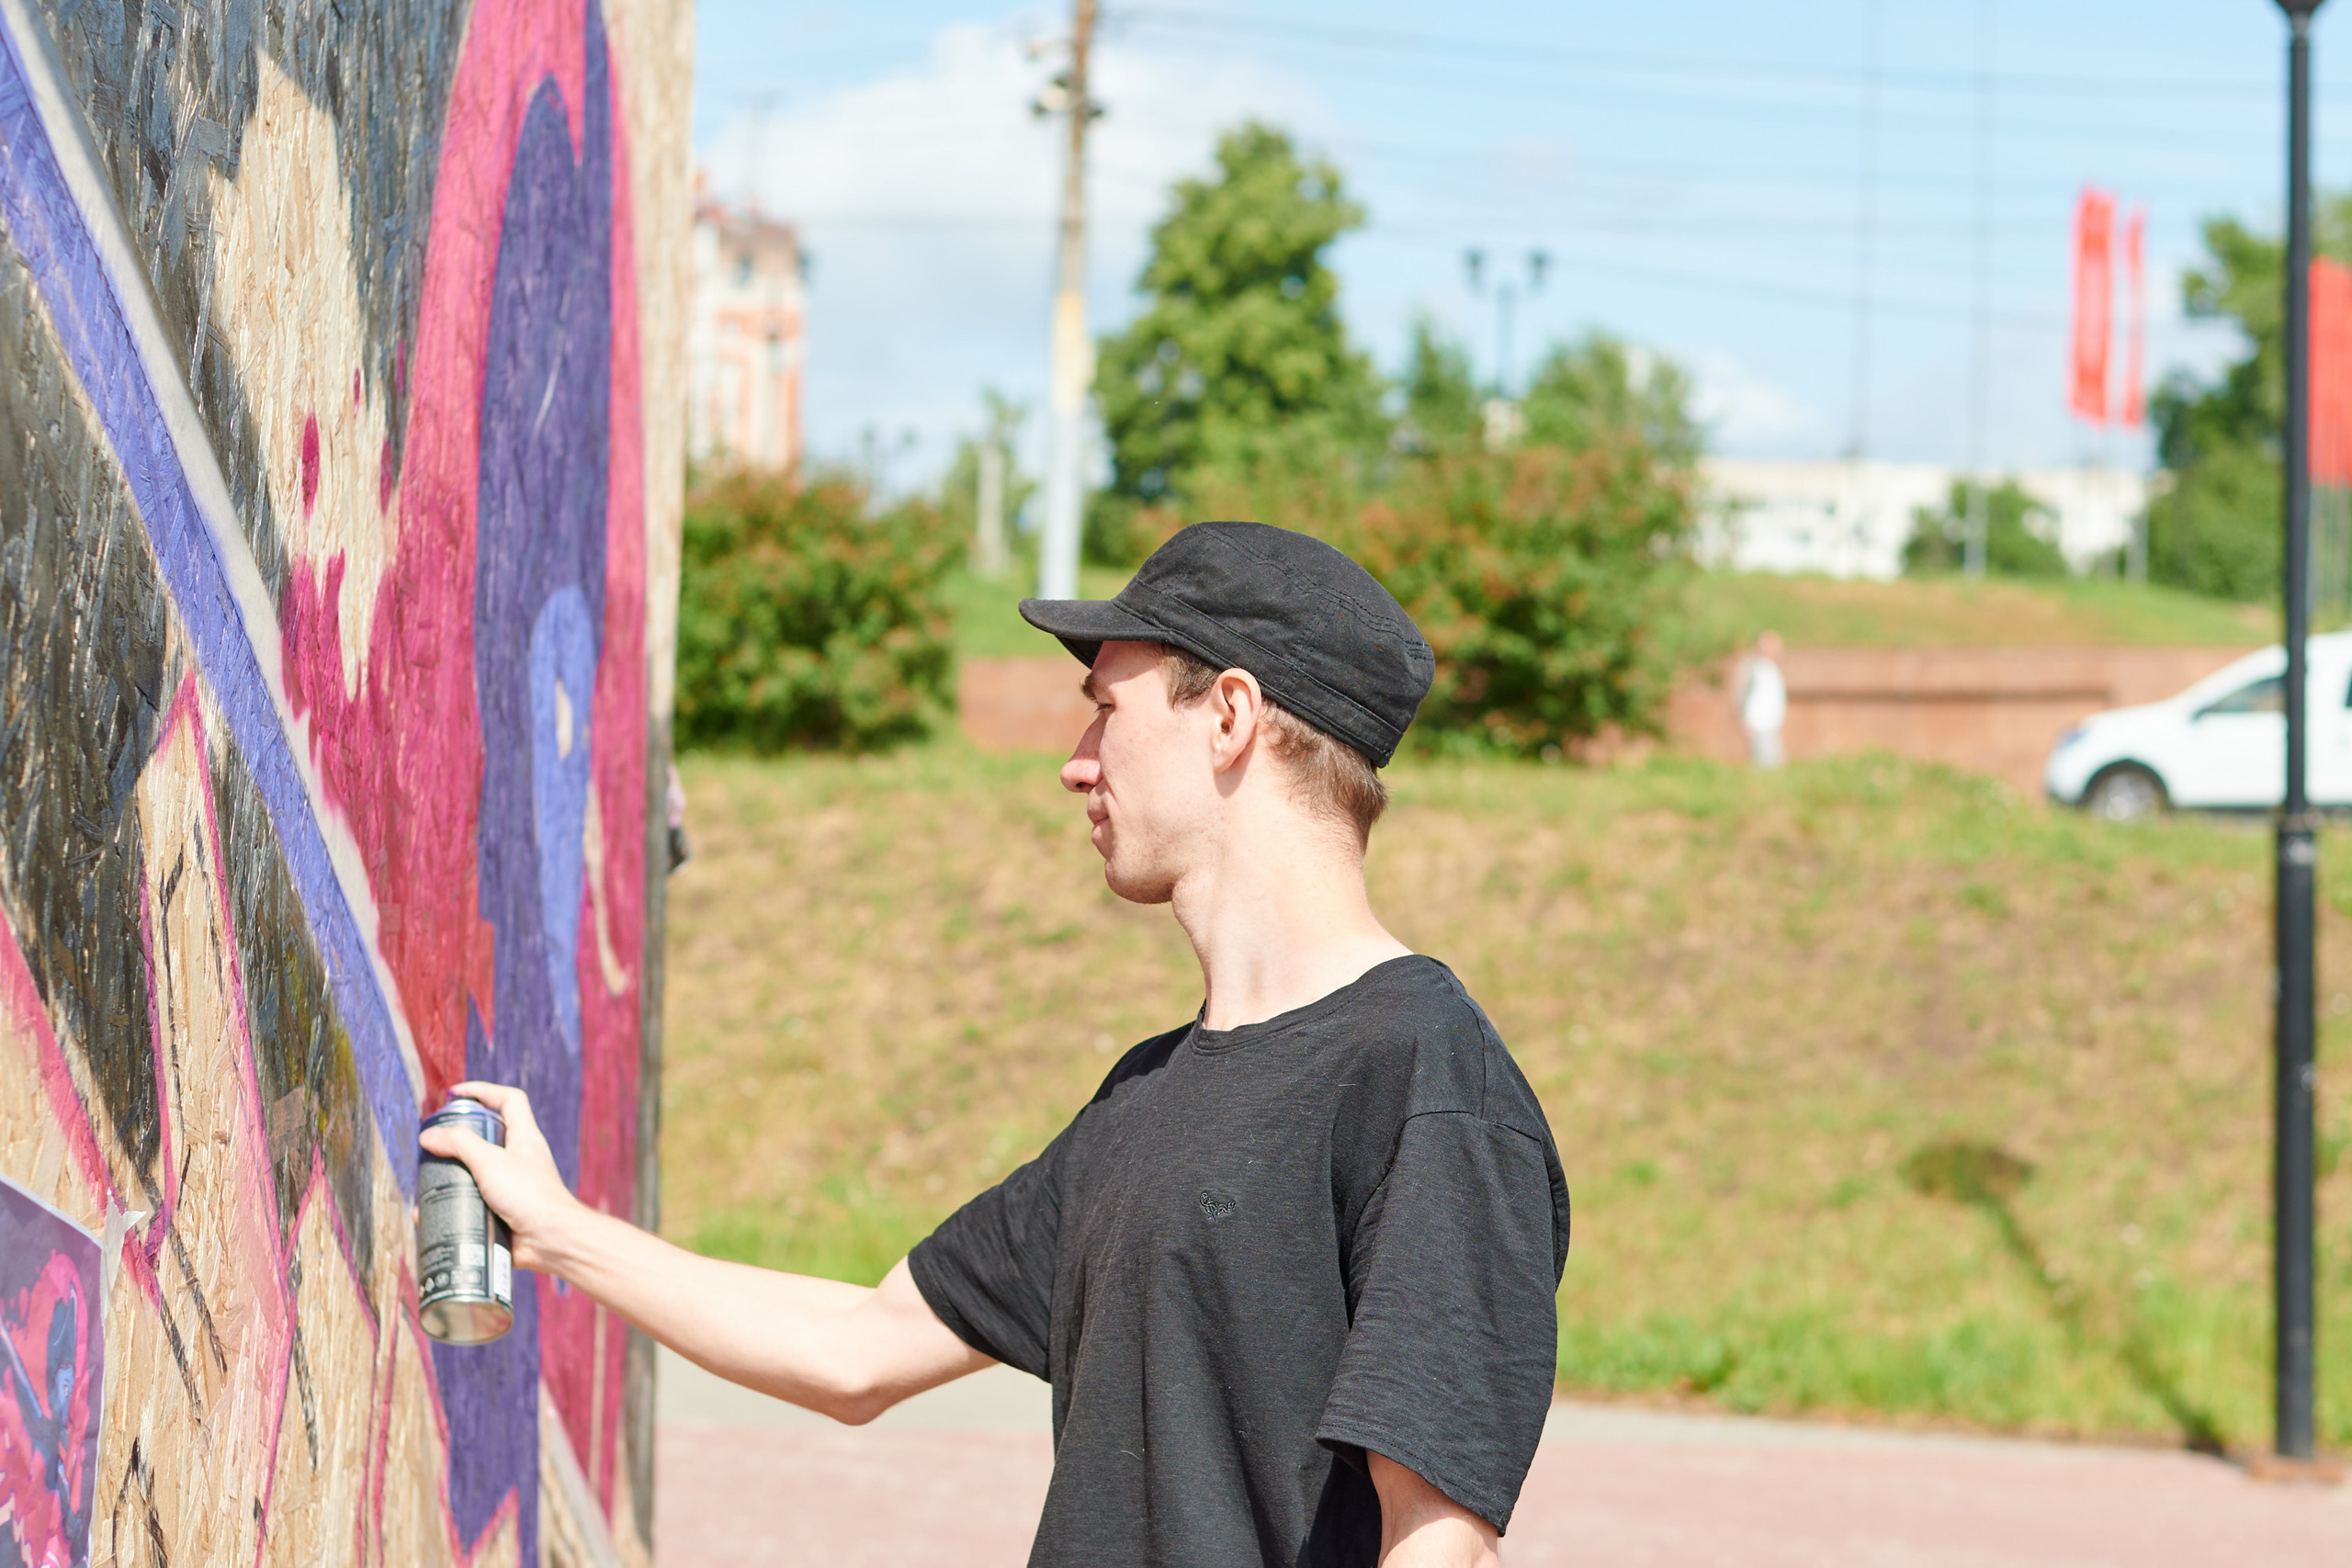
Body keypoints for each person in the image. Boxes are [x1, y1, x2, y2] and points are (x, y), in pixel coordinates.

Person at [424, 522, 1573, 1568]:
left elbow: (1441, 1545)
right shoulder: (1146, 1099)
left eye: (1108, 707)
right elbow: (856, 1350)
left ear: (1229, 716)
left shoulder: (1426, 1081)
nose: (1078, 760)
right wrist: (557, 1230)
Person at [1736, 629, 1788, 769]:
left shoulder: (1773, 667)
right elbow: (1741, 693)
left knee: (1775, 762)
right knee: (1762, 763)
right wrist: (1743, 719)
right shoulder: (1751, 666)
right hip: (1757, 723)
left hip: (1772, 723)